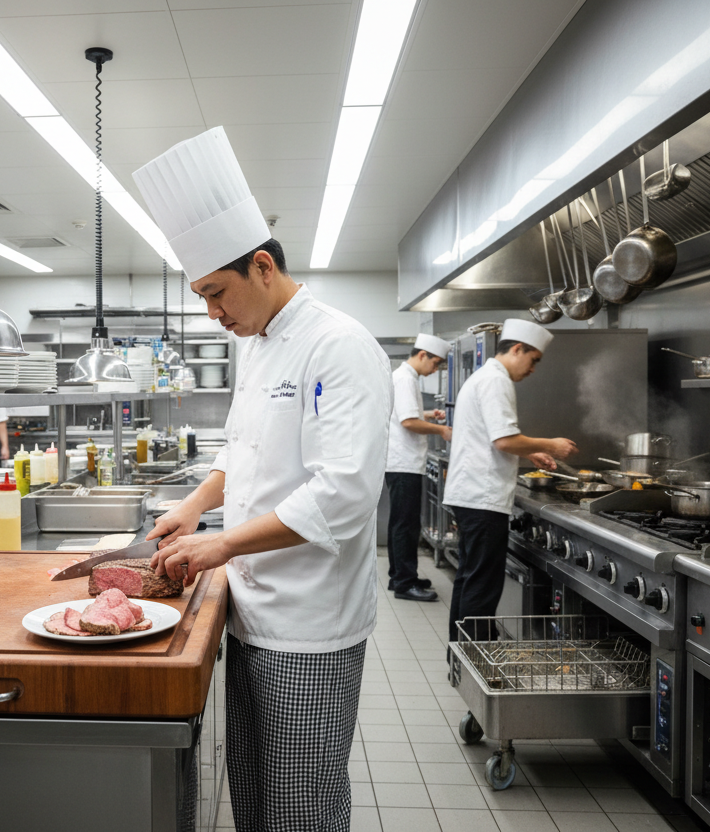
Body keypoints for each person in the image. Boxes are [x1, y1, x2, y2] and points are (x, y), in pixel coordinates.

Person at [133, 126, 393, 832]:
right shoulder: (256, 344)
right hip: (250, 611)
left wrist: (219, 547)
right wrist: (194, 508)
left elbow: (342, 494)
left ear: (263, 267)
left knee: (301, 808)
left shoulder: (340, 347)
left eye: (217, 293)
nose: (213, 314)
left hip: (311, 623)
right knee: (253, 798)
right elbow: (242, 451)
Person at [443, 319, 578, 643]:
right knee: (482, 585)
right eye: (533, 361)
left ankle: (461, 655)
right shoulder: (496, 381)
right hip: (482, 498)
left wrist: (528, 453)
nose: (532, 370)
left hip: (471, 495)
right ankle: (474, 656)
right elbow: (503, 440)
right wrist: (550, 444)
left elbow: (493, 438)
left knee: (470, 578)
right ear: (518, 349)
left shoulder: (485, 377)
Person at [385, 333, 452, 602]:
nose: (435, 370)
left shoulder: (405, 377)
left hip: (402, 462)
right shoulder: (404, 378)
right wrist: (442, 430)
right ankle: (404, 582)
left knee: (401, 524)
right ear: (422, 355)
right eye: (435, 363)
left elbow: (407, 414)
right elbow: (408, 422)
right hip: (404, 464)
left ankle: (399, 576)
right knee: (406, 525)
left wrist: (428, 415)